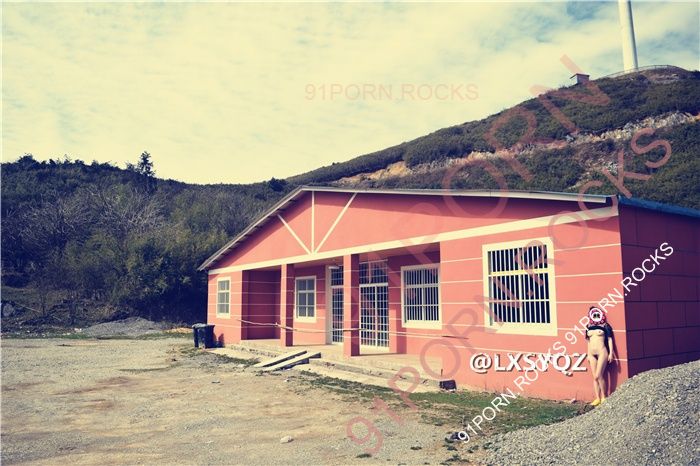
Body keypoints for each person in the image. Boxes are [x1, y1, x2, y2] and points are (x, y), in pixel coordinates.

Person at [585, 306, 615, 406]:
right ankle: (597, 398)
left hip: (602, 352)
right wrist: (588, 354)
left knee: (599, 375)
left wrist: (611, 353)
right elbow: (588, 341)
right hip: (591, 354)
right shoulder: (588, 326)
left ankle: (604, 397)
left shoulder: (605, 325)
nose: (595, 316)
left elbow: (610, 339)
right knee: (595, 377)